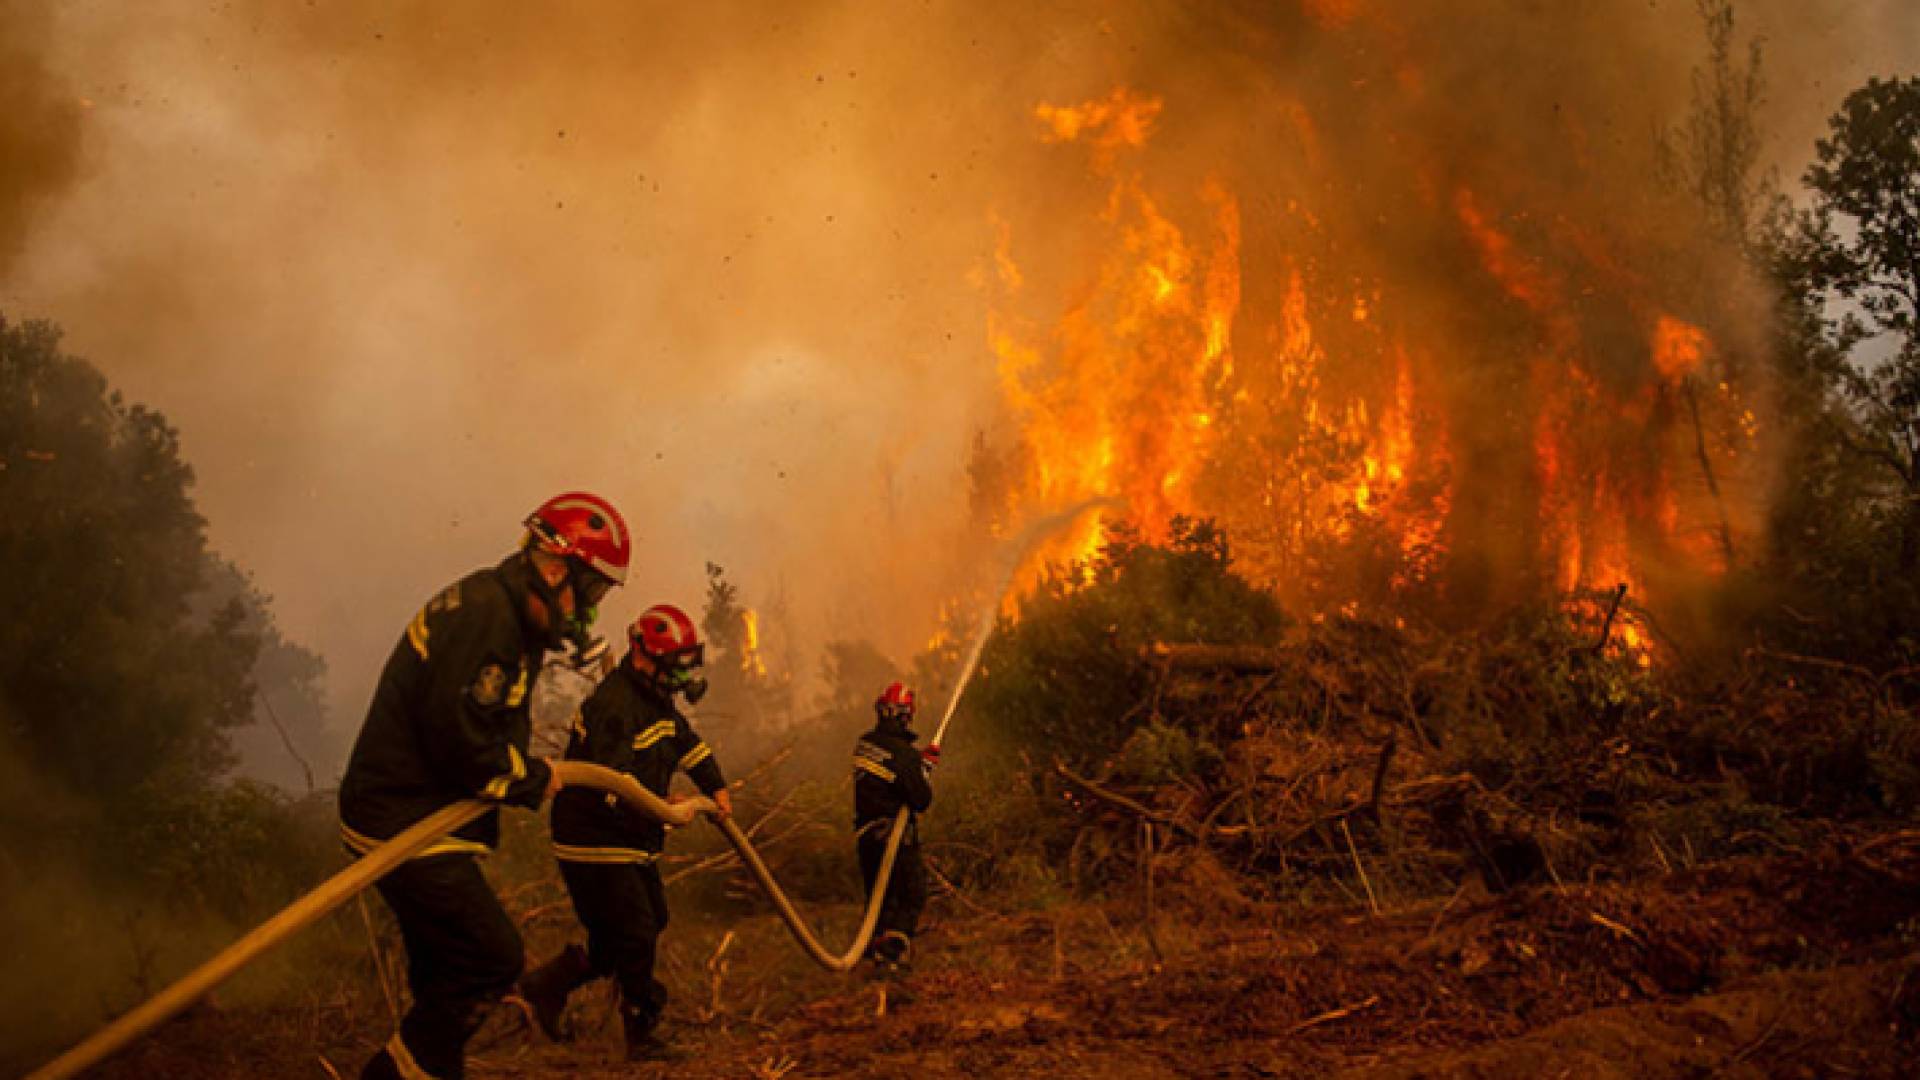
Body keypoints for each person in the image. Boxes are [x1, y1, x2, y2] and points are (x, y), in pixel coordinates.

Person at [339, 492, 629, 1080]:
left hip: (411, 811)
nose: (588, 614)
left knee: (444, 972)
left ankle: (425, 1068)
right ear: (554, 570)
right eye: (589, 592)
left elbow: (476, 719)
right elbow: (462, 742)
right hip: (405, 819)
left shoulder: (498, 609)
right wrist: (530, 778)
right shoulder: (490, 619)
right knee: (489, 958)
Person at [517, 603, 733, 1061]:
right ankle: (641, 1029)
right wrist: (661, 810)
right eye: (675, 670)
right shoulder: (613, 708)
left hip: (629, 835)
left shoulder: (655, 700)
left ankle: (548, 985)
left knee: (648, 922)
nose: (682, 681)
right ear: (645, 659)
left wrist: (716, 789)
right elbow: (613, 785)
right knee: (636, 930)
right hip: (593, 836)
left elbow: (686, 744)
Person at [852, 681, 936, 973]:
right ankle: (891, 953)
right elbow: (920, 799)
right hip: (894, 838)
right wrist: (922, 770)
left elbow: (888, 780)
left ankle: (874, 949)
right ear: (905, 716)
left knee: (880, 896)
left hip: (866, 837)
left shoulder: (865, 743)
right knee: (911, 894)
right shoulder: (904, 754)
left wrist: (918, 766)